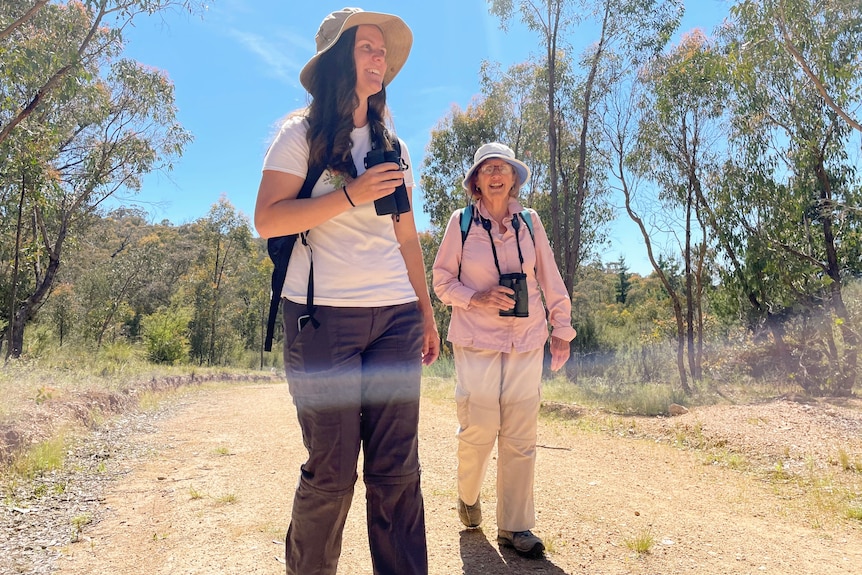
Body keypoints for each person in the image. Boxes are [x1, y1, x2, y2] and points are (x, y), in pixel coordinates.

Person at [254, 8, 439, 575]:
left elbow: (407, 240)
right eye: (366, 46)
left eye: (382, 50)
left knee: (397, 471)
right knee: (332, 472)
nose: (379, 58)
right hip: (321, 319)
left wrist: (427, 316)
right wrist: (351, 195)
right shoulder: (300, 134)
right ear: (340, 59)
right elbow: (267, 219)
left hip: (396, 321)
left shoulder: (394, 146)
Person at [432, 142, 576, 559]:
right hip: (476, 338)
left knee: (520, 432)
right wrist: (475, 297)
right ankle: (468, 495)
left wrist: (560, 326)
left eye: (503, 168)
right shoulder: (460, 223)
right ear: (476, 181)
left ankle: (515, 526)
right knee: (478, 426)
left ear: (514, 178)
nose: (496, 174)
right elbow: (441, 280)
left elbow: (549, 275)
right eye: (487, 168)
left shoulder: (530, 223)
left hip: (526, 338)